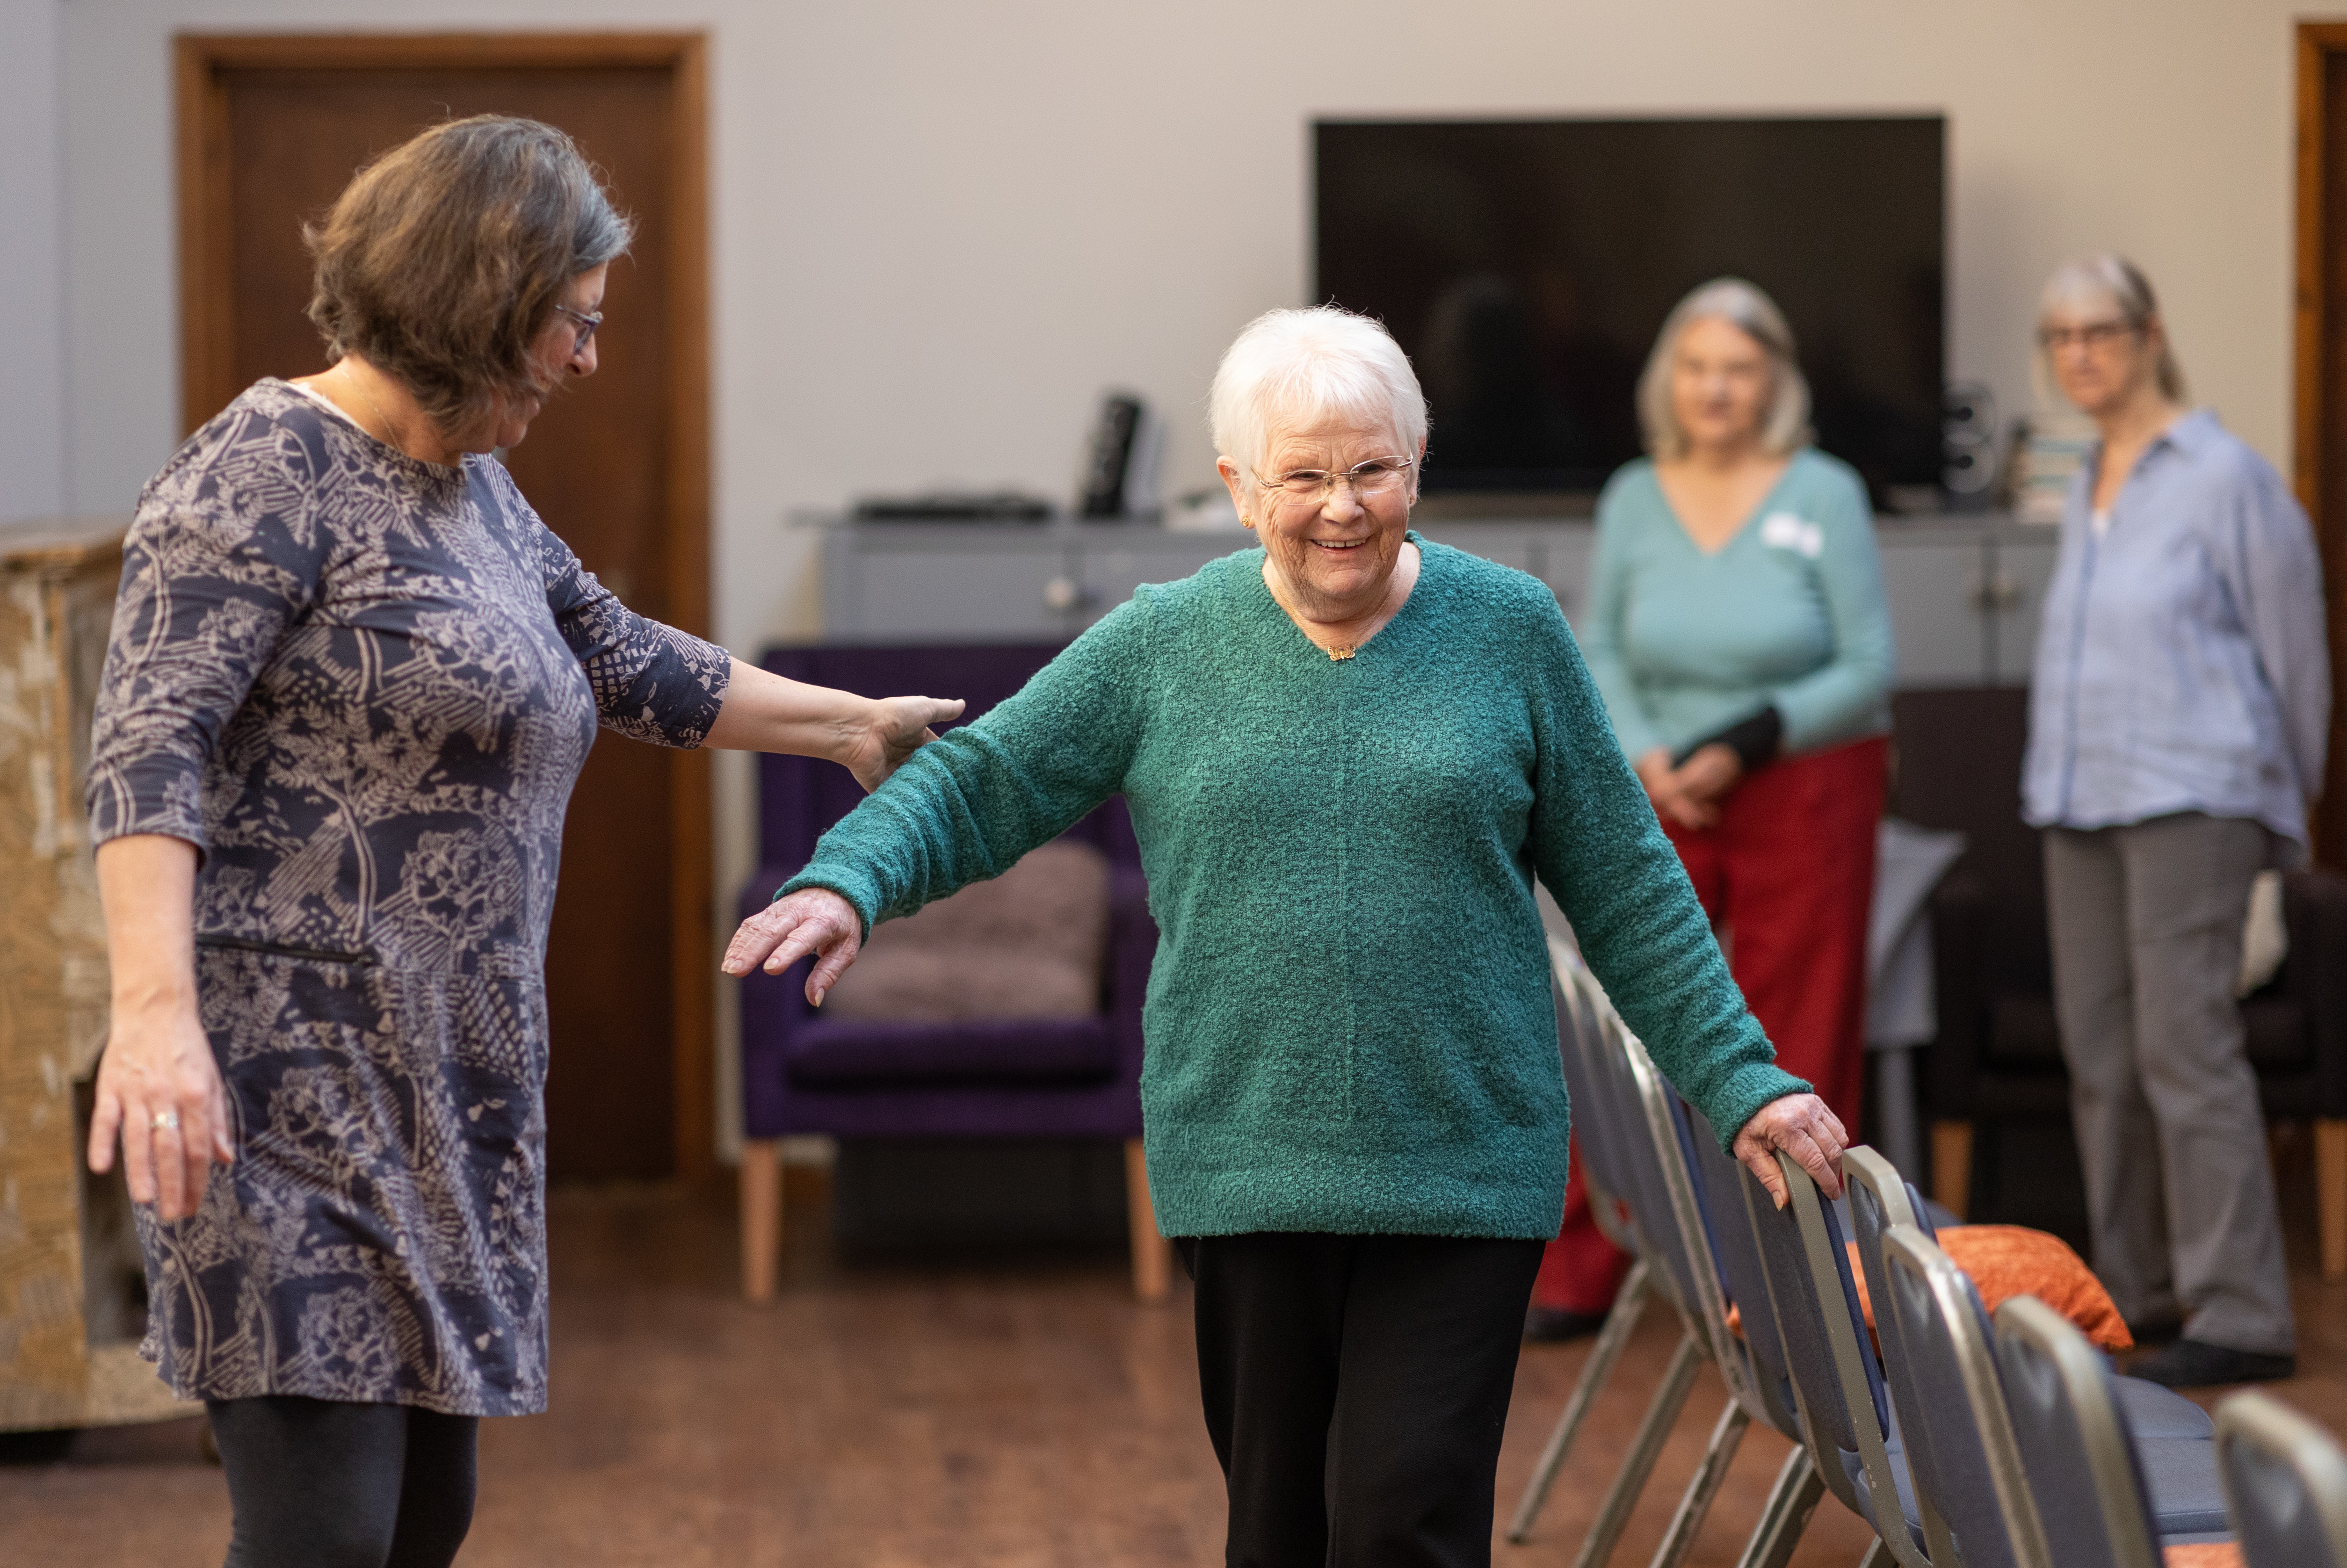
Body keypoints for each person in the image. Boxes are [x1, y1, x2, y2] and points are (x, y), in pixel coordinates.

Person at [723, 304, 1849, 1568]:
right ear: (1237, 486)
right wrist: (849, 882)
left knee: (1401, 1517)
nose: (1341, 506)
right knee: (1280, 1531)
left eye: (1371, 469)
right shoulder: (1163, 642)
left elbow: (1631, 886)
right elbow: (986, 780)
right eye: (1303, 475)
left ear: (1414, 468)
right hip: (1246, 1158)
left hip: (1464, 1159)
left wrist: (1742, 1079)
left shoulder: (1511, 630)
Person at [83, 116, 959, 1568]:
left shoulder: (473, 485)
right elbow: (145, 746)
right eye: (573, 324)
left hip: (452, 1081)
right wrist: (154, 1018)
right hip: (286, 1083)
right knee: (326, 1534)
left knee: (426, 1521)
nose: (588, 361)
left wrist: (847, 727)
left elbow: (619, 658)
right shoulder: (261, 468)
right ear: (480, 303)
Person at [2023, 254, 2328, 1389]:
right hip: (2077, 798)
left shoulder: (2226, 478)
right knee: (2100, 1053)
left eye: (2099, 330)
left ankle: (2243, 1312)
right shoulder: (2084, 479)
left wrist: (2281, 811)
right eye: (2059, 337)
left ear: (2149, 335)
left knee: (2183, 1049)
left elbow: (2296, 656)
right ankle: (2134, 1300)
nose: (2079, 354)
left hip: (2195, 799)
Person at [1581, 277, 1894, 1133]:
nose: (1715, 388)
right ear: (1666, 379)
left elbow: (1867, 668)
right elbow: (1599, 647)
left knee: (1791, 1045)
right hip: (1660, 786)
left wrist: (1742, 745)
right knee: (1627, 1021)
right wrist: (1650, 755)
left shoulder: (1825, 491)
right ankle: (1591, 1265)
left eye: (1739, 368)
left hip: (1798, 784)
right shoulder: (1632, 496)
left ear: (1776, 383)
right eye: (1696, 366)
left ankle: (1793, 1265)